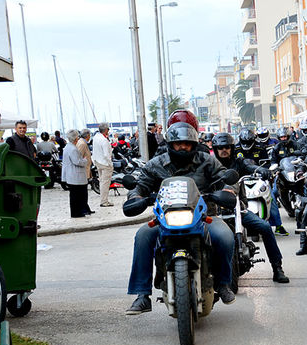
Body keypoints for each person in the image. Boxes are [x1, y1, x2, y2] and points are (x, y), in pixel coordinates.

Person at [124, 118, 238, 315]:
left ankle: (223, 284)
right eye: (179, 143)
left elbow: (225, 178)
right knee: (142, 236)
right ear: (170, 144)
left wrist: (228, 191)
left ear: (194, 145)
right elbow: (140, 186)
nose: (183, 147)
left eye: (187, 144)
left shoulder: (207, 160)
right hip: (165, 219)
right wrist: (136, 197)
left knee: (226, 237)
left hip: (204, 217)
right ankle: (142, 295)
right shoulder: (155, 164)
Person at [211, 132, 290, 283]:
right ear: (215, 148)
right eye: (220, 147)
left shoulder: (238, 162)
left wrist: (260, 170)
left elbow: (249, 165)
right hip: (215, 211)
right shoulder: (210, 164)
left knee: (265, 227)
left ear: (232, 148)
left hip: (238, 209)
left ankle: (277, 268)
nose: (224, 150)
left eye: (227, 147)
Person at [61, 130, 90, 218]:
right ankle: (78, 212)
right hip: (76, 176)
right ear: (76, 138)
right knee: (79, 195)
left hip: (72, 175)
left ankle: (76, 212)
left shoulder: (67, 147)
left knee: (74, 196)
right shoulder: (73, 149)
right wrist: (85, 160)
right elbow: (77, 161)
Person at [92, 123, 114, 207]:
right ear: (105, 130)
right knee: (105, 183)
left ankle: (103, 199)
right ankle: (104, 201)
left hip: (98, 162)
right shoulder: (104, 140)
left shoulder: (96, 138)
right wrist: (110, 164)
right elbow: (106, 155)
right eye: (108, 129)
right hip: (105, 164)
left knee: (102, 182)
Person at [77, 129, 95, 216]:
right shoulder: (82, 144)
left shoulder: (83, 142)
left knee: (84, 191)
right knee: (83, 191)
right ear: (87, 135)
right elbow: (78, 156)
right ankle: (84, 208)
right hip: (83, 170)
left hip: (86, 169)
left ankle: (86, 207)